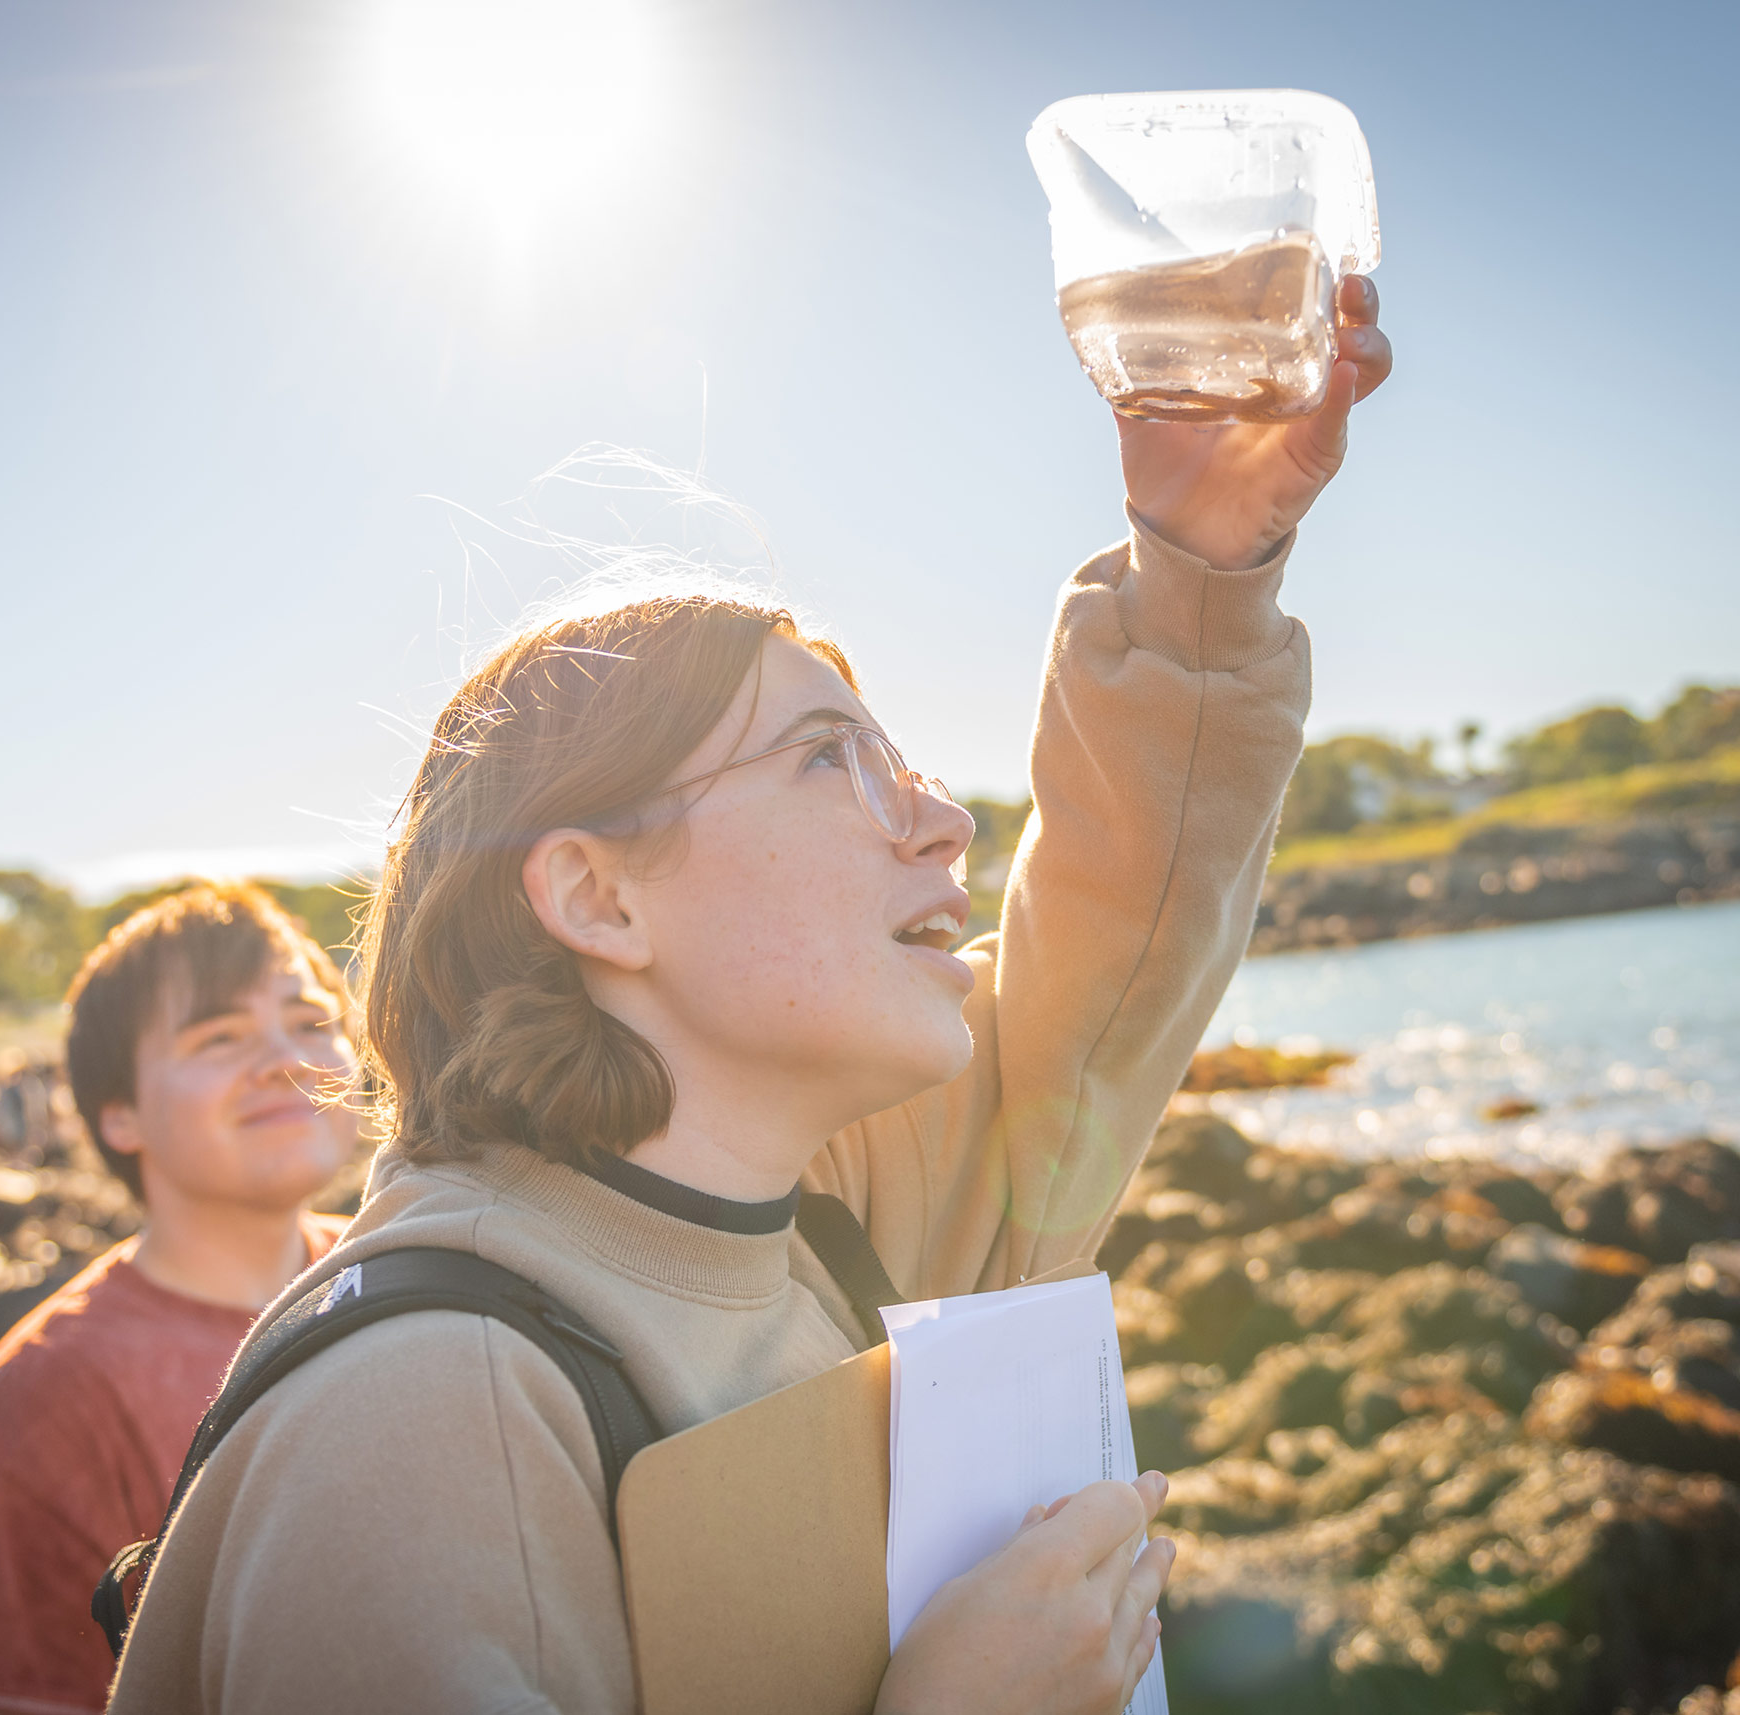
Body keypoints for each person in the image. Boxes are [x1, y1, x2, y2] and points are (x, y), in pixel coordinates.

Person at [110, 281, 1393, 1715]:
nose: (938, 817)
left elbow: (1109, 963)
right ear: (599, 896)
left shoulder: (817, 1221)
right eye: (822, 759)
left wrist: (1201, 567)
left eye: (899, 758)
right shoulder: (424, 1409)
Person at [0, 881, 365, 1715]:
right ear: (118, 1114)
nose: (284, 1058)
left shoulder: (416, 1269)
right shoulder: (41, 1401)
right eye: (219, 1035)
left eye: (310, 1023)